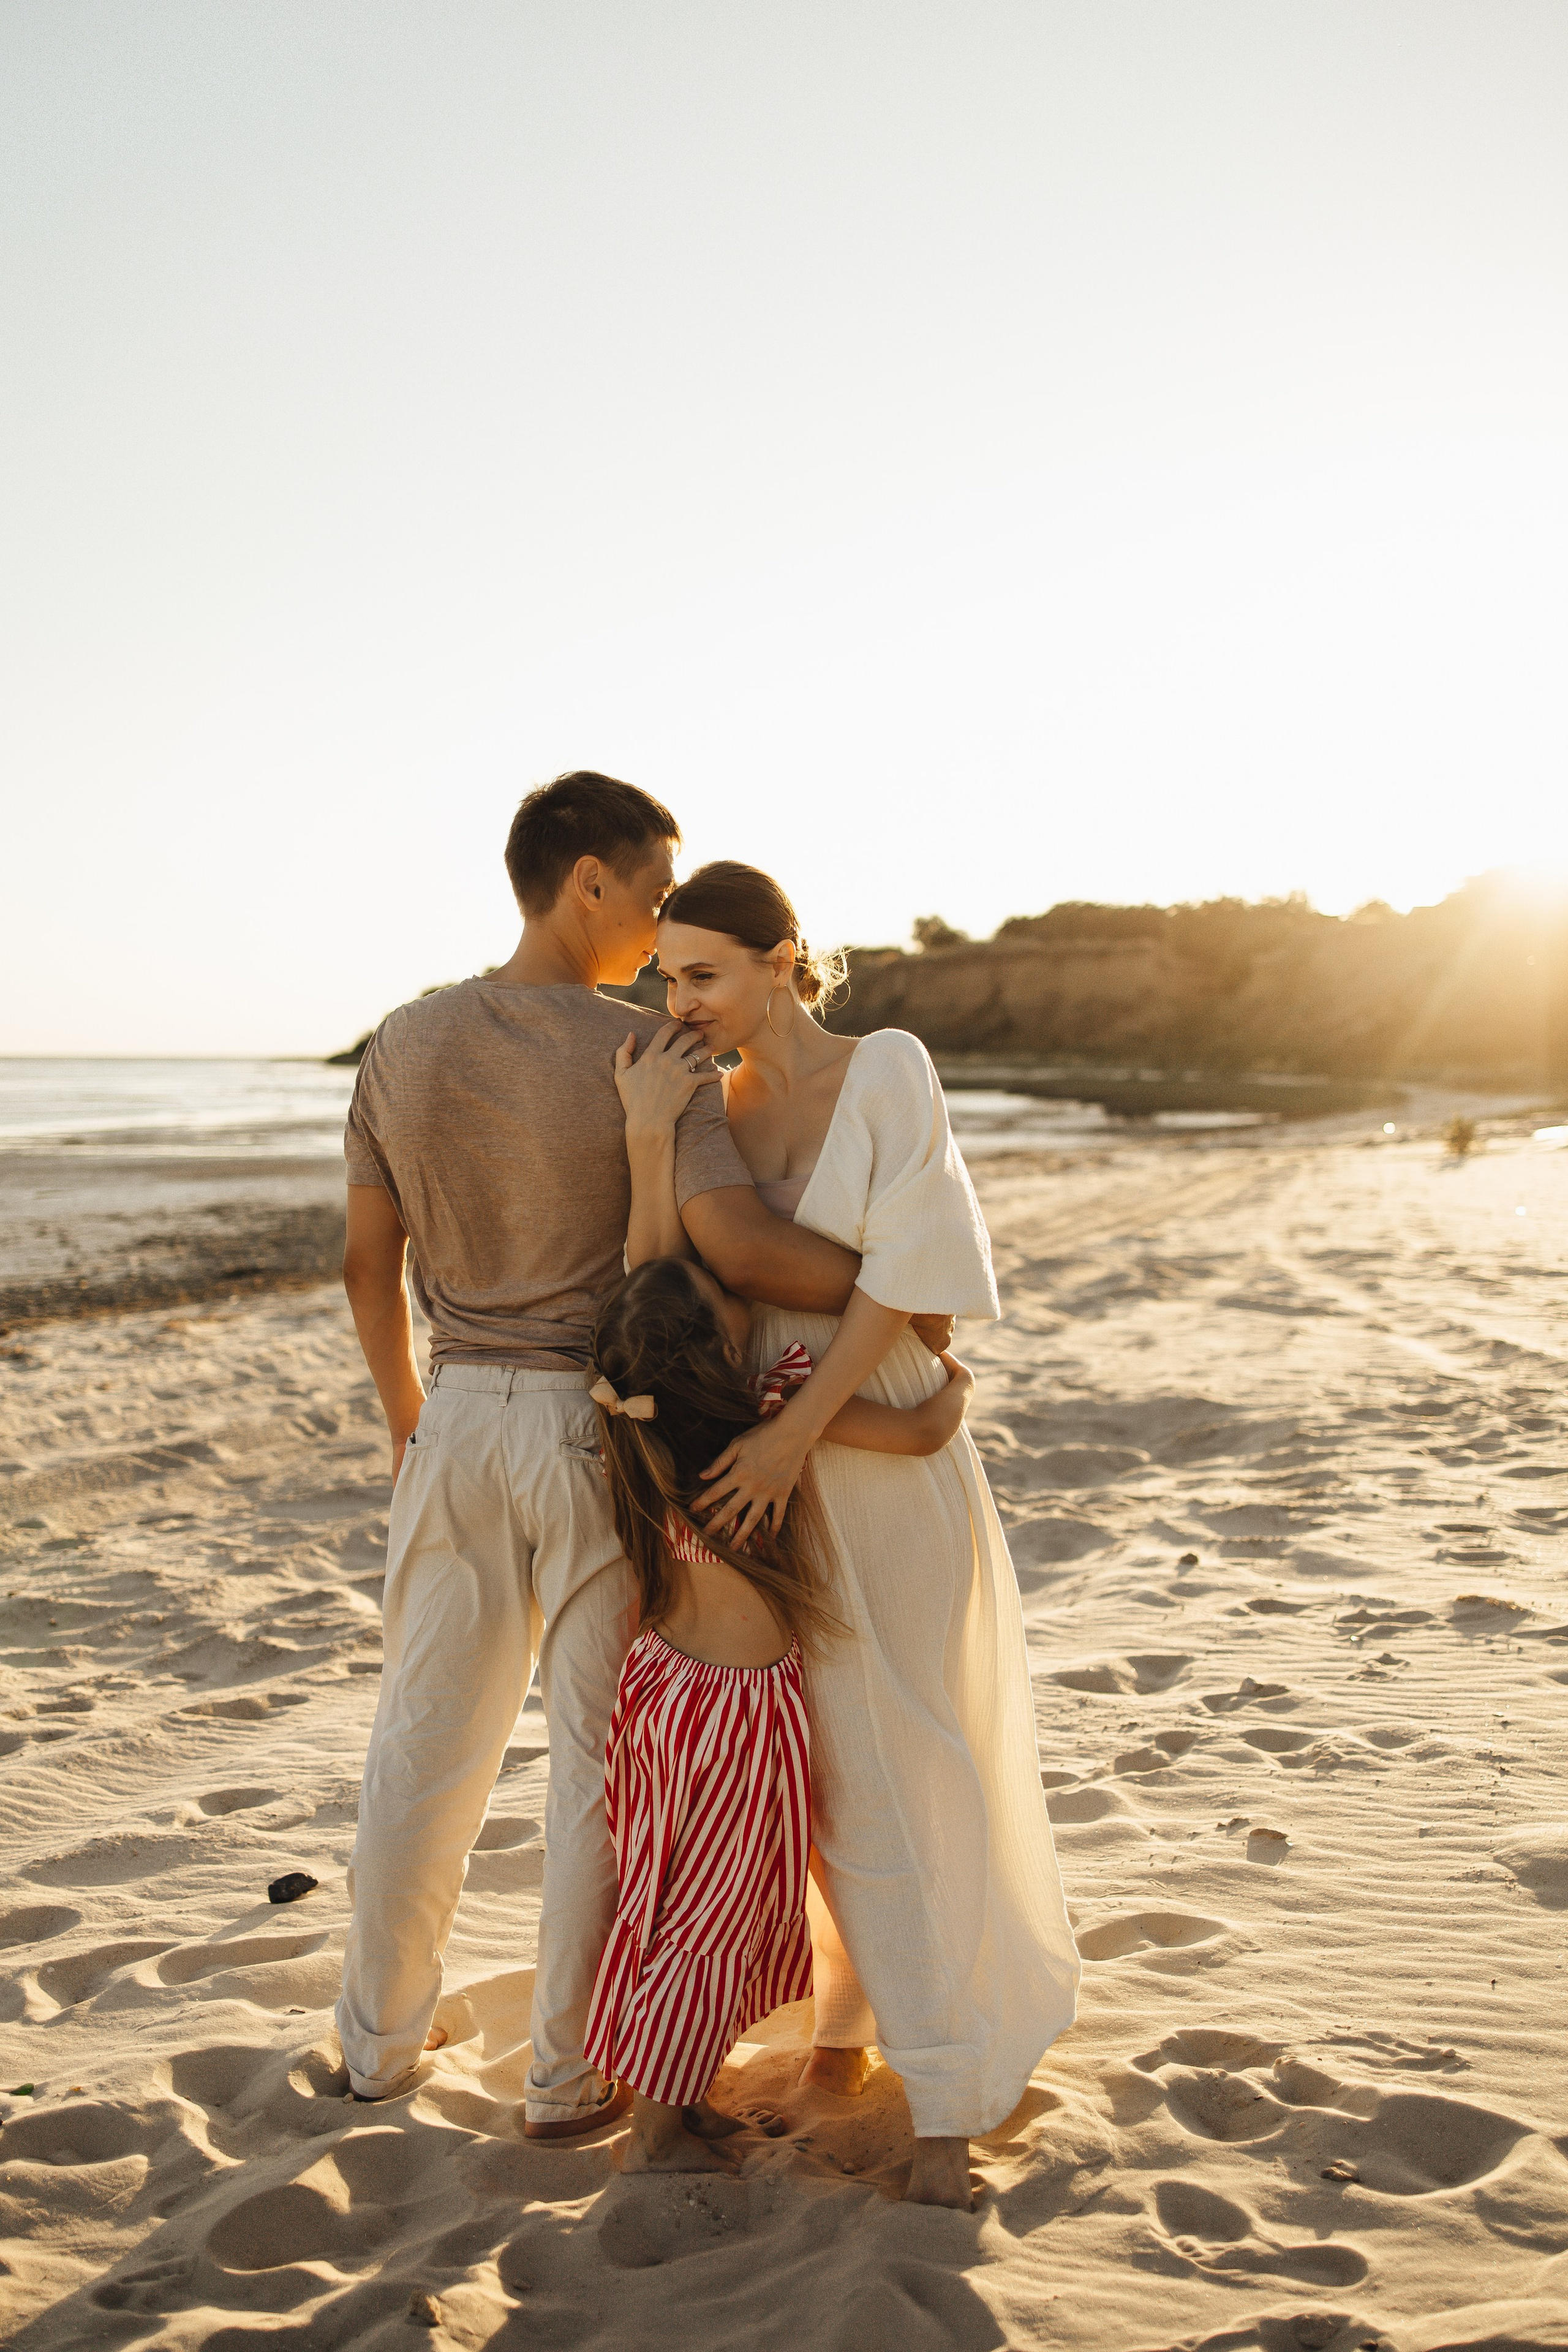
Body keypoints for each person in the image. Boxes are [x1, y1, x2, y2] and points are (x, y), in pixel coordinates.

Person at [334, 775, 914, 2134]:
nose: (659, 933)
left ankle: (375, 2051)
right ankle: (561, 2075)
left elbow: (370, 1267)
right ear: (586, 880)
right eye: (651, 895)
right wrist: (901, 1284)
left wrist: (407, 1416)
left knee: (422, 1751)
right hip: (595, 1431)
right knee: (594, 1759)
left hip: (457, 1415)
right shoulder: (647, 1055)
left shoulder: (401, 1042)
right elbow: (732, 1245)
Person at [615, 860, 1080, 2208]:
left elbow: (909, 1283)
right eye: (665, 976)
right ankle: (842, 2031)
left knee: (906, 1759)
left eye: (704, 972)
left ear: (781, 960)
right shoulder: (708, 1104)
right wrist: (651, 1134)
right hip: (764, 1466)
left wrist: (797, 1432)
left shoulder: (885, 1067)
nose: (680, 999)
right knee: (810, 1768)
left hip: (849, 1437)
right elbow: (670, 1286)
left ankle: (942, 2111)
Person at [579, 1257, 974, 2175]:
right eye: (729, 1309)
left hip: (660, 1695)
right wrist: (953, 1380)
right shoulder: (763, 1426)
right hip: (737, 1713)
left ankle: (667, 2096)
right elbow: (922, 1433)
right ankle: (658, 2131)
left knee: (666, 1902)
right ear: (719, 1351)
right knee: (710, 1925)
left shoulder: (636, 1436)